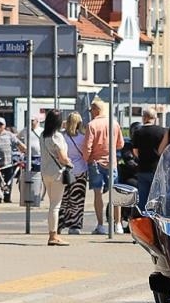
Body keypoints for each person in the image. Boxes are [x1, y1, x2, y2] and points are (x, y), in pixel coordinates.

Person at [82, 98, 123, 234]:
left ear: (96, 110)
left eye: (92, 110)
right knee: (115, 193)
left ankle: (100, 225)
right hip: (112, 162)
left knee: (97, 193)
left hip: (95, 162)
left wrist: (86, 159)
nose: (91, 113)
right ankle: (118, 224)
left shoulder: (92, 125)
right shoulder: (115, 123)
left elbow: (87, 146)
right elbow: (120, 144)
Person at [38, 109, 75, 246]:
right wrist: (69, 163)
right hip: (57, 173)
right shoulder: (57, 136)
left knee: (52, 204)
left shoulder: (43, 135)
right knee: (55, 205)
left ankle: (53, 234)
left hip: (46, 172)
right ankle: (53, 235)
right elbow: (62, 157)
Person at [130, 109, 166, 209]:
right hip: (157, 169)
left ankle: (144, 221)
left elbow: (135, 151)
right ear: (155, 118)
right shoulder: (162, 131)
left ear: (144, 117)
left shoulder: (138, 132)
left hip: (143, 169)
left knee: (143, 199)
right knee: (157, 198)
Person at [59, 111, 88, 234]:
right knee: (77, 200)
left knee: (63, 199)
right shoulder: (83, 138)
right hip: (80, 170)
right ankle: (75, 225)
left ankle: (59, 223)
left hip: (64, 170)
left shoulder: (61, 137)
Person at [0, 116, 26, 203]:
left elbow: (18, 143)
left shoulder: (10, 135)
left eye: (1, 125)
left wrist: (25, 150)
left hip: (8, 163)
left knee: (9, 181)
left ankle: (7, 197)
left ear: (4, 125)